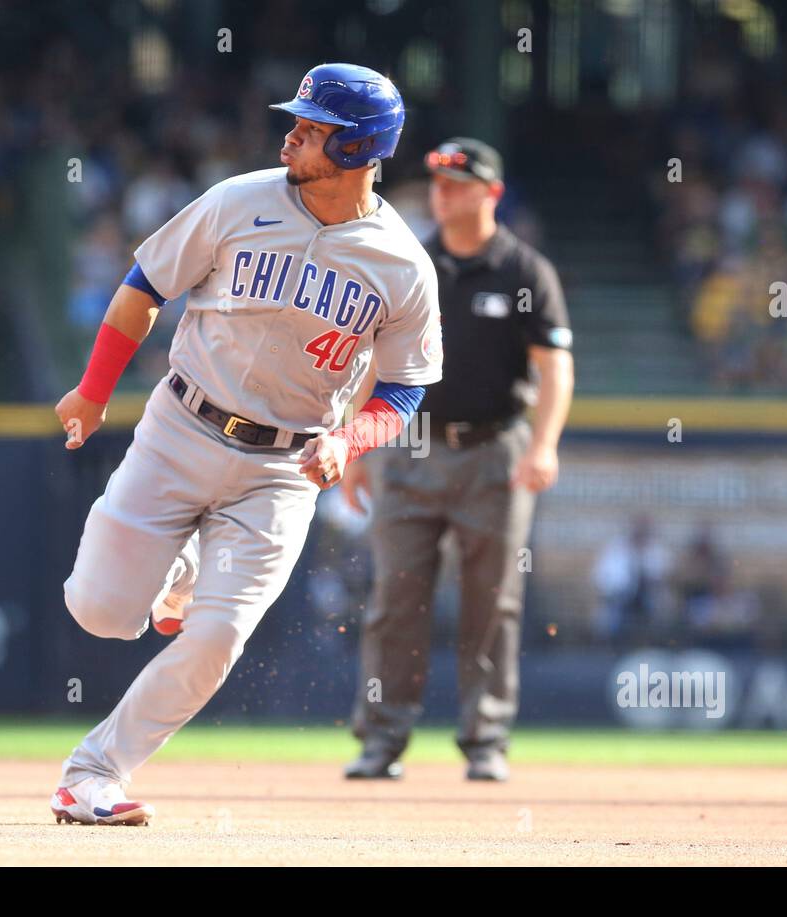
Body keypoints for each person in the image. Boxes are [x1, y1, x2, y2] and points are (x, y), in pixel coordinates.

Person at [47, 64, 442, 825]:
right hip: (178, 428)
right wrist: (93, 391)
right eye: (296, 119)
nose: (291, 132)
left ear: (359, 148)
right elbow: (143, 287)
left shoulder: (401, 264)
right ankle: (179, 572)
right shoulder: (237, 202)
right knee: (98, 610)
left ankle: (93, 772)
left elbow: (405, 387)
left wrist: (353, 441)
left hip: (283, 468)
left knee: (219, 637)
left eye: (313, 127)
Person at [341, 138, 573, 782]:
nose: (443, 194)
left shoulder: (524, 271)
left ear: (490, 193)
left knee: (492, 601)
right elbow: (372, 357)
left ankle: (485, 740)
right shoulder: (412, 263)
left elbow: (555, 366)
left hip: (494, 452)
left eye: (458, 183)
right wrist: (355, 447)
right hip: (408, 447)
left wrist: (546, 443)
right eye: (438, 183)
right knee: (396, 598)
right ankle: (380, 742)